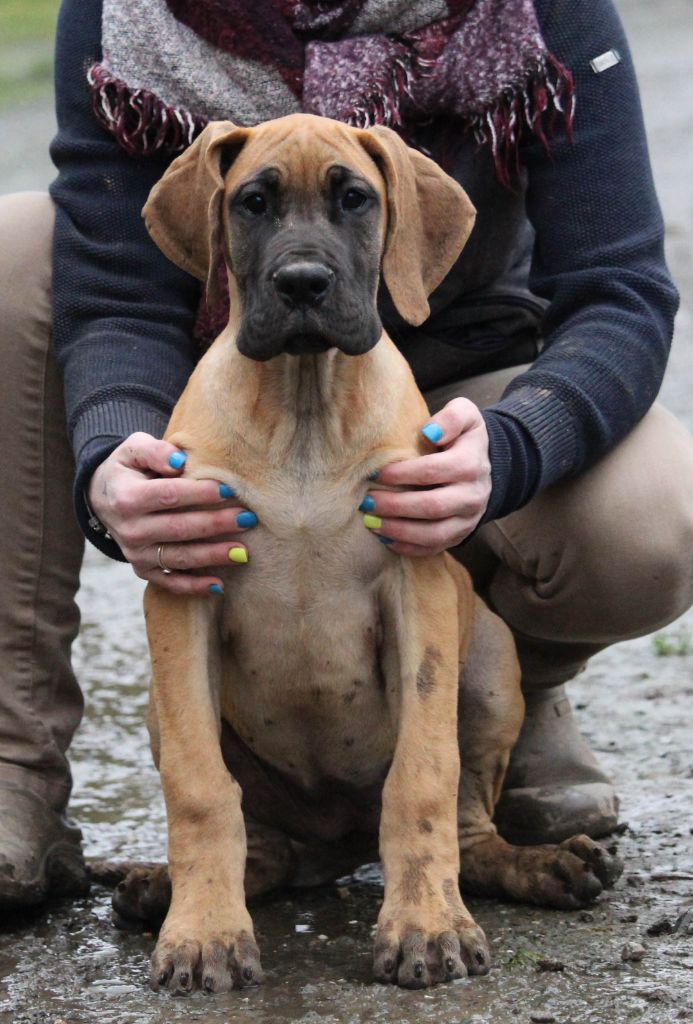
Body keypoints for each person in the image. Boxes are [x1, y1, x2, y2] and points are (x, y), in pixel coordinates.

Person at [1, 0, 692, 908]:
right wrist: (113, 456)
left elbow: (620, 288)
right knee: (16, 253)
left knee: (653, 519)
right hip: (227, 388)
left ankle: (497, 709)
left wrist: (518, 447)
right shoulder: (125, 12)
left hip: (467, 386)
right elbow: (114, 290)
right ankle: (17, 768)